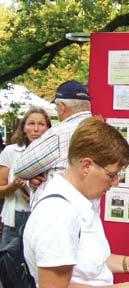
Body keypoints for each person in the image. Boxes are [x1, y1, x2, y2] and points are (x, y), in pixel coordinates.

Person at [23, 117, 129, 287]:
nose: (116, 182)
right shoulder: (58, 214)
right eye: (111, 175)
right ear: (86, 166)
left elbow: (89, 264)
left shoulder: (78, 203)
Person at [14, 80, 92, 207]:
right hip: (90, 214)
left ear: (62, 107)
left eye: (56, 108)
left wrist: (37, 173)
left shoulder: (58, 133)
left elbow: (20, 169)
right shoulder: (102, 129)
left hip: (56, 213)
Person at [0, 107, 51, 286]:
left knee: (35, 270)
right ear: (23, 128)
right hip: (16, 217)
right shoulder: (11, 152)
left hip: (42, 218)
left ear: (48, 128)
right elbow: (1, 189)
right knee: (8, 267)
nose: (36, 129)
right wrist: (13, 186)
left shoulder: (53, 154)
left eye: (41, 124)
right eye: (31, 124)